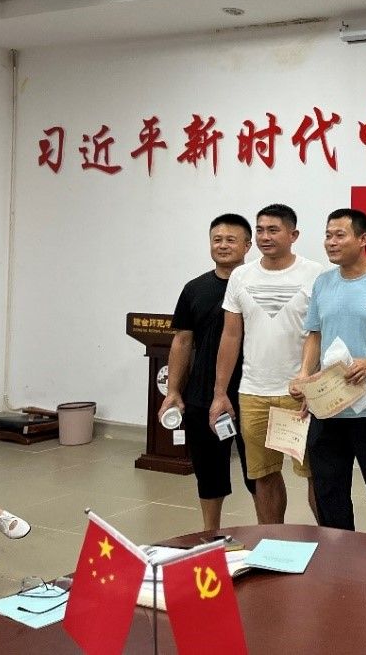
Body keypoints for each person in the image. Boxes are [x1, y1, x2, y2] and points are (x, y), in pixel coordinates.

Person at [290, 209, 366, 539]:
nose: (331, 242)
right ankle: (340, 561)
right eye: (328, 235)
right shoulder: (323, 283)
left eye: (340, 235)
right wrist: (304, 374)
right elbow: (314, 334)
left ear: (362, 239)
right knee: (330, 497)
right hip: (329, 408)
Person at [210, 203, 323, 525]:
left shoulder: (315, 274)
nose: (264, 237)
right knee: (263, 474)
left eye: (273, 230)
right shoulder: (241, 276)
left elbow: (320, 332)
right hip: (253, 393)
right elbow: (231, 336)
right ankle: (272, 539)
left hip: (300, 394)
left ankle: (329, 542)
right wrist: (220, 393)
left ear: (293, 235)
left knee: (316, 474)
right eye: (260, 230)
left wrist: (312, 381)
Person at [158, 213, 256, 532]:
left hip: (252, 391)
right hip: (203, 395)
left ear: (247, 245)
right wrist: (174, 390)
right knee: (209, 470)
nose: (223, 245)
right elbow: (182, 341)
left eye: (231, 240)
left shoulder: (258, 285)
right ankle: (210, 534)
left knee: (260, 473)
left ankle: (269, 532)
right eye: (217, 239)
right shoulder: (194, 289)